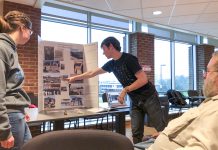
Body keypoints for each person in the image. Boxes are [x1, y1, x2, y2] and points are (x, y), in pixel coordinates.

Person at [66, 36, 166, 143]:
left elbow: (143, 79)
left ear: (111, 47)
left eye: (104, 49)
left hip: (148, 97)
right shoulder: (112, 64)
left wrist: (125, 90)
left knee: (162, 129)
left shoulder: (129, 59)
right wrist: (74, 78)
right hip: (135, 100)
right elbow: (92, 73)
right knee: (136, 133)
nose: (103, 53)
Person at [148, 51, 218, 150]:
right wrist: (167, 133)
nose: (204, 76)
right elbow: (194, 128)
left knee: (120, 142)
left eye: (207, 71)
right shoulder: (209, 103)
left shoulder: (215, 110)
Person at [0, 10, 33, 149]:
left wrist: (21, 110)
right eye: (30, 32)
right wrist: (4, 130)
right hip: (9, 115)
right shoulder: (3, 48)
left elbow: (11, 86)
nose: (30, 35)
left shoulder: (11, 48)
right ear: (22, 28)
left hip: (16, 114)